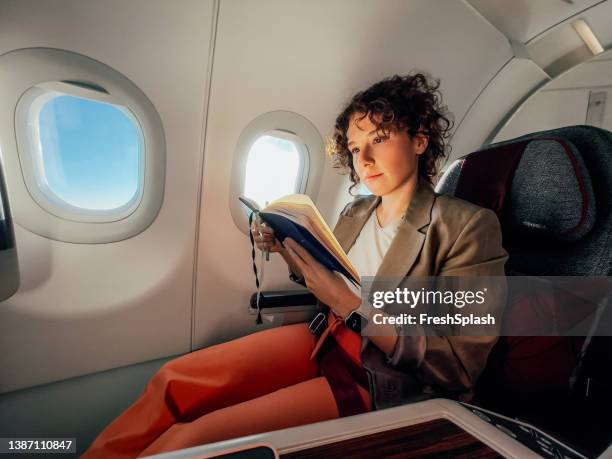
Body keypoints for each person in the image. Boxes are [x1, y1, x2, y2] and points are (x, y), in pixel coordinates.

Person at [82, 73, 507, 458]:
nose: (364, 160)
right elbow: (326, 278)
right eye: (356, 148)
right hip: (325, 338)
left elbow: (458, 364)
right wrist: (284, 246)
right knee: (174, 380)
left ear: (419, 139)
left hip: (382, 377)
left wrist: (352, 305)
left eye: (379, 139)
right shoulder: (356, 212)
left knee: (193, 439)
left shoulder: (467, 226)